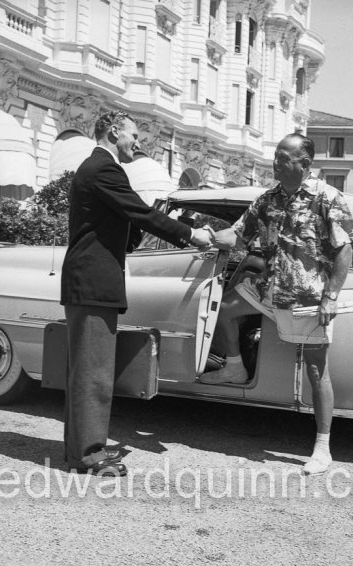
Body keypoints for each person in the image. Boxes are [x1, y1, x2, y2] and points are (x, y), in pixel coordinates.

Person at [60, 110, 212, 476]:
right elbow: (138, 212)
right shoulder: (104, 168)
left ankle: (80, 450)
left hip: (91, 280)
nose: (138, 143)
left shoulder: (98, 169)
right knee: (93, 373)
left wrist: (138, 225)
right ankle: (89, 455)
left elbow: (124, 219)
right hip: (94, 281)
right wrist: (191, 235)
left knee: (87, 370)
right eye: (133, 135)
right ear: (114, 132)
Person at [200, 133, 353, 475]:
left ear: (304, 163)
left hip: (307, 297)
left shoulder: (328, 197)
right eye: (276, 156)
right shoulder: (267, 199)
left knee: (316, 371)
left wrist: (330, 296)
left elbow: (345, 248)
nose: (275, 162)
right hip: (269, 288)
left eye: (283, 158)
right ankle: (235, 367)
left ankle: (322, 447)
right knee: (224, 309)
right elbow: (239, 235)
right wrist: (206, 235)